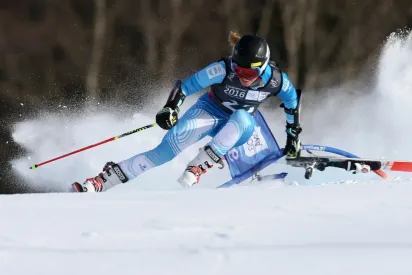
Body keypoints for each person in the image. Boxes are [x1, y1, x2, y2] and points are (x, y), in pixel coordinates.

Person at [72, 32, 304, 192]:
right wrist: (170, 108)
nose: (242, 76)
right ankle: (102, 181)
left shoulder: (276, 81)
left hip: (237, 128)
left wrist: (293, 136)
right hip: (209, 111)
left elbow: (292, 103)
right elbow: (185, 87)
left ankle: (197, 167)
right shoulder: (223, 69)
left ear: (262, 67)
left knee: (243, 118)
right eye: (238, 69)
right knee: (163, 152)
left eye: (249, 73)